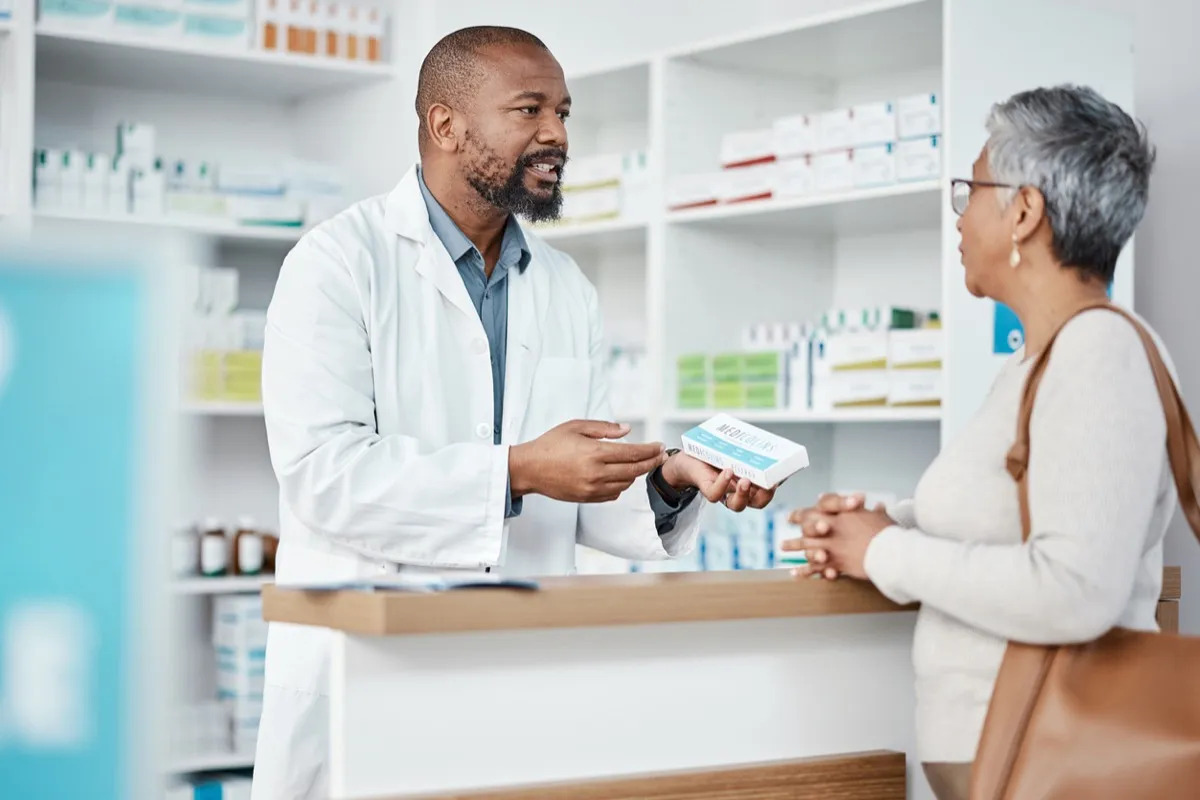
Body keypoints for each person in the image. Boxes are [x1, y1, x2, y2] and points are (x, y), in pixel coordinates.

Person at [251, 26, 776, 800]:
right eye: (529, 110)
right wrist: (520, 469)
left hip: (514, 672)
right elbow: (323, 475)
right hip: (370, 673)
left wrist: (667, 480)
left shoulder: (565, 286)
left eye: (563, 112)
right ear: (445, 126)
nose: (557, 135)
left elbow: (576, 491)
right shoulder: (336, 266)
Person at [784, 85, 1165, 800]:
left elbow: (1075, 590)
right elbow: (1014, 522)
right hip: (1016, 764)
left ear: (1024, 212)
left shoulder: (1098, 356)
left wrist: (884, 551)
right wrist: (876, 524)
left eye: (972, 190)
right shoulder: (1044, 359)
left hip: (1056, 763)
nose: (960, 217)